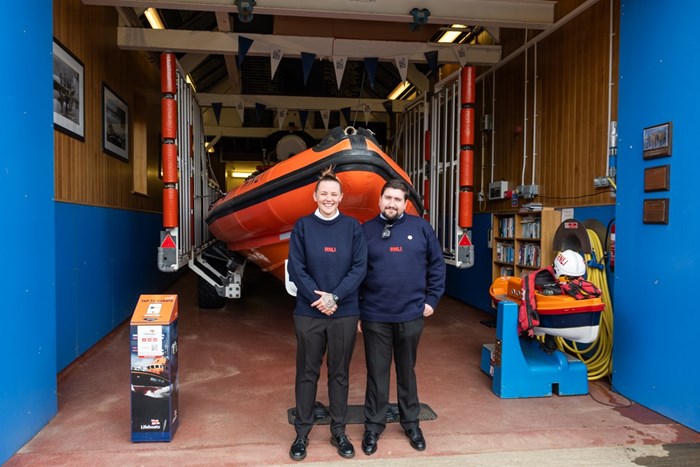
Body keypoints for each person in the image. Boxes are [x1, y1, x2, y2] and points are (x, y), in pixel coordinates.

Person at [358, 179, 446, 456]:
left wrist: (432, 299)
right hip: (375, 315)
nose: (392, 203)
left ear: (406, 204)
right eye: (388, 198)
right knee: (377, 373)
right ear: (379, 200)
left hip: (410, 314)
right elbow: (356, 273)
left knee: (407, 371)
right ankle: (373, 425)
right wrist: (358, 311)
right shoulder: (364, 232)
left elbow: (437, 265)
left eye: (398, 199)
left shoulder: (421, 228)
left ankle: (411, 423)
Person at [287, 168, 368, 461]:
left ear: (341, 197)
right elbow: (296, 268)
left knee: (340, 373)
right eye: (324, 194)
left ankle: (339, 431)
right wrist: (318, 298)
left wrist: (335, 296)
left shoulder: (352, 227)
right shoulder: (303, 226)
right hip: (309, 313)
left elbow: (359, 267)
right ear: (315, 196)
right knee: (307, 373)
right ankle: (301, 433)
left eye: (334, 194)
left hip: (344, 311)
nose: (329, 199)